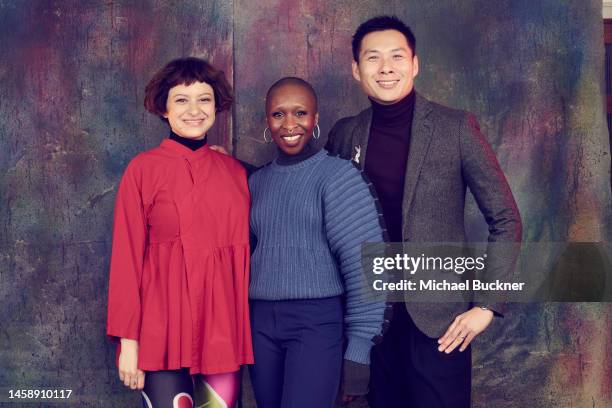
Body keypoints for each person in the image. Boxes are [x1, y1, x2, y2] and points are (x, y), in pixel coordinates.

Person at [325, 16, 523, 407]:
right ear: (355, 69)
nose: (385, 68)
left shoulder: (457, 127)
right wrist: (230, 168)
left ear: (414, 64)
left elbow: (505, 219)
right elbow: (315, 203)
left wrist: (487, 305)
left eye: (397, 57)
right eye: (373, 58)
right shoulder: (345, 133)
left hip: (440, 322)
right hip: (370, 321)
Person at [106, 57, 253, 408]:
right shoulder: (142, 170)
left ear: (217, 105)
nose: (194, 110)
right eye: (182, 100)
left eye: (204, 99)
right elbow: (126, 259)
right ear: (164, 108)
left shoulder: (234, 172)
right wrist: (129, 342)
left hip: (223, 334)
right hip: (161, 334)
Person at [247, 77, 387, 407]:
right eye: (278, 114)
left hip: (316, 323)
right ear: (267, 121)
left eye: (300, 113)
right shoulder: (257, 182)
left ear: (316, 118)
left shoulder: (337, 177)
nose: (290, 124)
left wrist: (359, 351)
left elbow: (366, 267)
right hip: (260, 324)